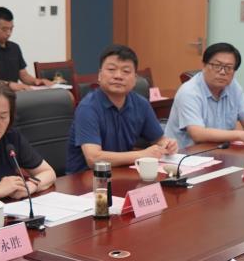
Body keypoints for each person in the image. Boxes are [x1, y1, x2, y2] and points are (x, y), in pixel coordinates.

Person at [66, 44, 177, 174]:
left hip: (122, 173)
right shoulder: (88, 108)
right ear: (100, 75)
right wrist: (142, 154)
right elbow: (93, 158)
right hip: (86, 179)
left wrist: (167, 144)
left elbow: (159, 139)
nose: (118, 76)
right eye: (111, 69)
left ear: (135, 79)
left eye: (126, 71)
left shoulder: (141, 104)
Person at [162, 42, 244, 148]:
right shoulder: (189, 92)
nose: (222, 72)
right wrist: (241, 135)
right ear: (204, 65)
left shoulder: (232, 86)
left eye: (228, 68)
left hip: (219, 151)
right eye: (217, 66)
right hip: (185, 155)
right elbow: (198, 134)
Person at [0, 6, 54, 92]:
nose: (8, 33)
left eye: (11, 29)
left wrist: (36, 81)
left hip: (16, 95)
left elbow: (24, 75)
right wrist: (10, 85)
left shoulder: (15, 48)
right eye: (4, 29)